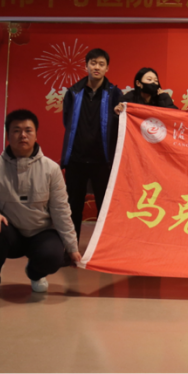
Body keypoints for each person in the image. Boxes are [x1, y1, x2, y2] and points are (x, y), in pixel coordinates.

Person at [0, 110, 80, 304]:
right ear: (8, 135)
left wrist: (72, 247)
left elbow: (61, 211)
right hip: (9, 233)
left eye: (28, 130)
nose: (23, 135)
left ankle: (35, 273)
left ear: (36, 135)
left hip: (41, 232)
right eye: (16, 130)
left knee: (54, 257)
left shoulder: (51, 169)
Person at [61, 48, 122, 242]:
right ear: (86, 66)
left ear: (107, 68)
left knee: (105, 208)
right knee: (73, 207)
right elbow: (67, 122)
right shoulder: (73, 92)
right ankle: (70, 249)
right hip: (76, 160)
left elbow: (121, 124)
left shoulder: (115, 94)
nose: (97, 67)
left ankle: (104, 249)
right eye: (93, 63)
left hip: (103, 161)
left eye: (101, 64)